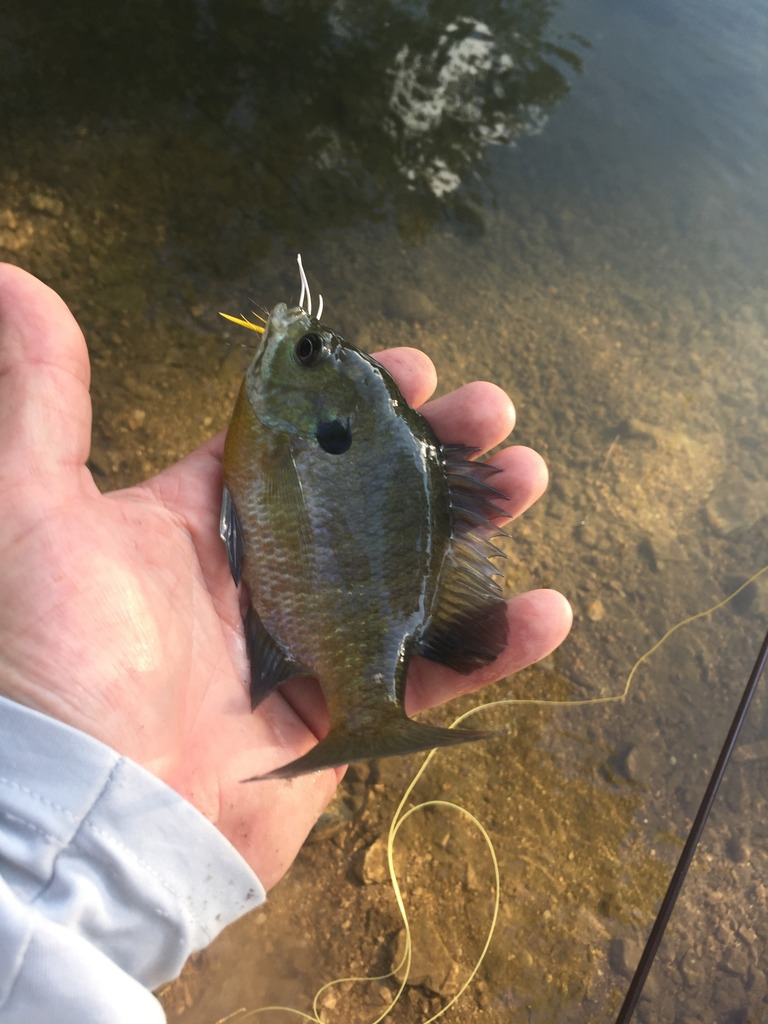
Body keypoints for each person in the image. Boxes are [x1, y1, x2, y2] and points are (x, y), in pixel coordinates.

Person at [0, 263, 572, 1022]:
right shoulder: (306, 428)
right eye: (310, 353)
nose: (294, 340)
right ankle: (363, 716)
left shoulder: (302, 428)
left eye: (308, 358)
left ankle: (365, 714)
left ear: (325, 410)